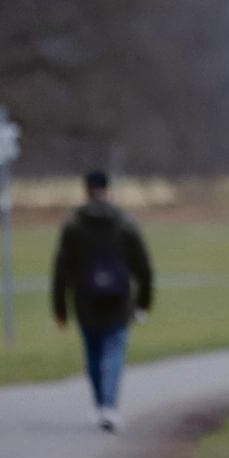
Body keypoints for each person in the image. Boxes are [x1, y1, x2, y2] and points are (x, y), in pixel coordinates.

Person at [50, 170, 154, 432]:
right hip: (118, 301)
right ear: (108, 190)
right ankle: (109, 405)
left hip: (85, 301)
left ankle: (100, 405)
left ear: (85, 190)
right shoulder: (124, 224)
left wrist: (60, 308)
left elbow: (61, 270)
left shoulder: (73, 226)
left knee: (94, 353)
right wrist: (143, 303)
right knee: (114, 353)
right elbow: (143, 267)